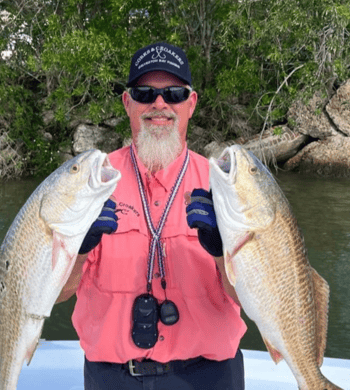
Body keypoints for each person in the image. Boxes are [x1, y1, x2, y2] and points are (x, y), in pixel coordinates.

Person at [57, 42, 247, 390]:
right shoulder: (89, 182)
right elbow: (55, 294)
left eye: (173, 93)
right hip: (112, 378)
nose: (159, 104)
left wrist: (223, 255)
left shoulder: (226, 187)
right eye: (145, 92)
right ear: (128, 103)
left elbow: (250, 299)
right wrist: (79, 249)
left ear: (190, 104)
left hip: (209, 376)